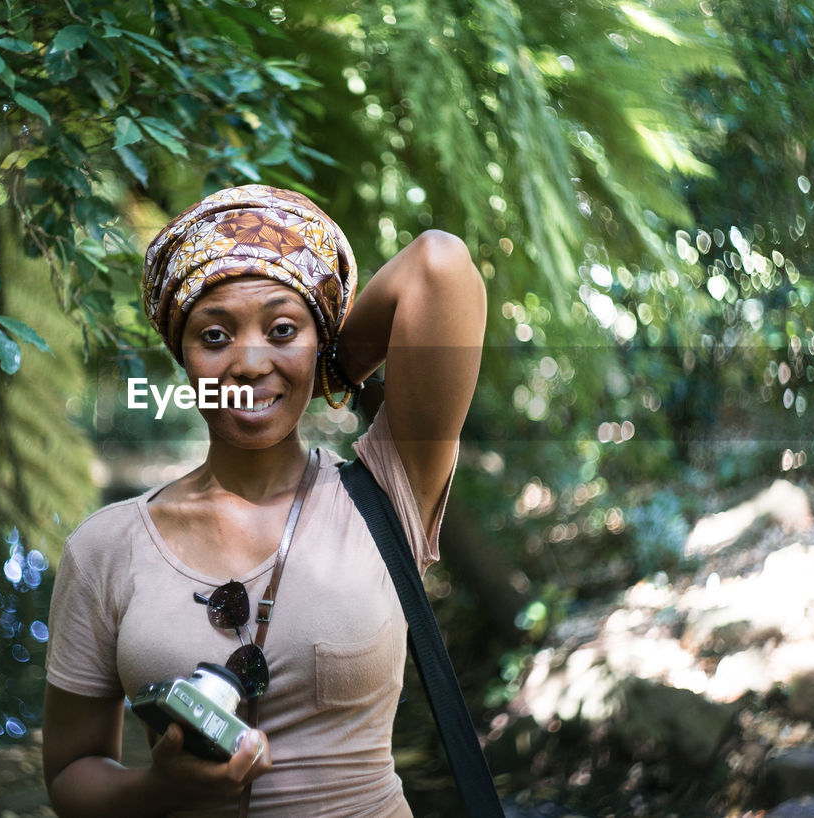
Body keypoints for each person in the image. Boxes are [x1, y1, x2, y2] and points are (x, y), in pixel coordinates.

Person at [43, 184, 486, 817]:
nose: (249, 363)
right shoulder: (106, 548)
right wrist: (159, 789)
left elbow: (439, 263)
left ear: (319, 339)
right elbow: (69, 775)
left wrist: (329, 368)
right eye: (215, 337)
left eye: (283, 329)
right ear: (184, 357)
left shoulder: (388, 492)